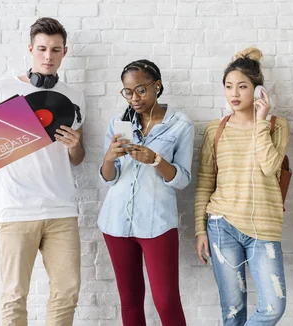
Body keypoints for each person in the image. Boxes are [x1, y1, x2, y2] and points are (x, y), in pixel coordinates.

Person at [0, 17, 85, 326]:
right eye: (42, 49)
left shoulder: (74, 96)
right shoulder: (2, 88)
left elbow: (77, 159)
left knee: (67, 292)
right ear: (31, 49)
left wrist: (74, 146)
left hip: (61, 210)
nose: (48, 56)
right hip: (16, 210)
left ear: (64, 52)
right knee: (14, 295)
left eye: (56, 50)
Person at [194, 47, 289, 326]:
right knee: (233, 313)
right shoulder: (216, 129)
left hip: (265, 229)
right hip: (222, 226)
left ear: (258, 91)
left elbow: (270, 166)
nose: (234, 94)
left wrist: (260, 123)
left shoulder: (277, 126)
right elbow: (204, 183)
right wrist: (200, 230)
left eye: (242, 87)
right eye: (228, 87)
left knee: (273, 307)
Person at [98, 59, 193, 326]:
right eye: (128, 92)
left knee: (166, 302)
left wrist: (155, 160)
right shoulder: (120, 123)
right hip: (116, 223)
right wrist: (108, 157)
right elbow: (109, 177)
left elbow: (183, 179)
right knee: (130, 301)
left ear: (157, 86)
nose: (134, 98)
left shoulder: (180, 125)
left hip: (157, 224)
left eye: (141, 89)